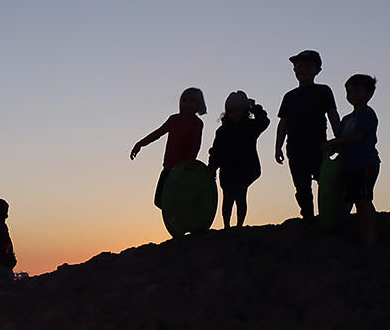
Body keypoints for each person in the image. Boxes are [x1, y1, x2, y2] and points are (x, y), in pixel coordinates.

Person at [275, 50, 341, 220]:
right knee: (301, 186)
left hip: (319, 145)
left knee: (326, 182)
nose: (302, 69)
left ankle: (329, 215)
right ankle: (308, 216)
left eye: (307, 66)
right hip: (295, 147)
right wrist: (278, 146)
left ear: (317, 69)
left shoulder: (324, 91)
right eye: (298, 66)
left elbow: (333, 115)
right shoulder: (289, 96)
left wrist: (339, 140)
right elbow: (283, 123)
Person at [323, 75, 380, 246]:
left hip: (365, 163)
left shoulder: (368, 114)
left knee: (364, 199)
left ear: (369, 94)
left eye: (357, 91)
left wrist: (335, 142)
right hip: (350, 165)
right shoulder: (347, 119)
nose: (352, 94)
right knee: (355, 199)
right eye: (349, 91)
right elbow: (342, 139)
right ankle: (362, 234)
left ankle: (370, 236)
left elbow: (359, 137)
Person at [130, 88, 207, 208]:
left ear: (198, 105)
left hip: (183, 170)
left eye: (191, 101)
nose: (186, 103)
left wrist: (189, 164)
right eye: (184, 100)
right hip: (168, 167)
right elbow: (158, 133)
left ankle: (185, 216)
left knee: (176, 199)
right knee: (159, 201)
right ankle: (178, 217)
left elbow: (195, 145)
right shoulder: (173, 119)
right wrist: (140, 144)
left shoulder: (196, 123)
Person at [207, 91, 269, 228]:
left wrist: (254, 107)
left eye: (238, 110)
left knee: (241, 196)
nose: (234, 114)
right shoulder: (222, 131)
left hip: (246, 169)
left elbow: (264, 121)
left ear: (245, 111)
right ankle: (227, 225)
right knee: (227, 198)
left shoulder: (251, 127)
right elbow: (216, 150)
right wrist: (212, 167)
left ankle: (240, 224)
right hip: (227, 171)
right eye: (231, 111)